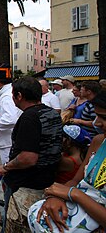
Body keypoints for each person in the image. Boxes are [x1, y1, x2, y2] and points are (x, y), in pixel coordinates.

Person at [28, 90, 106, 233]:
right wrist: (55, 197)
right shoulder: (99, 141)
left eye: (104, 118)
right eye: (96, 116)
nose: (97, 123)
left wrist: (74, 194)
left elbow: (73, 190)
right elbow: (75, 180)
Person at [0, 76, 63, 232]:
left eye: (14, 94)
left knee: (18, 222)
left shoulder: (29, 117)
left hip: (27, 182)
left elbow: (28, 158)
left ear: (19, 96)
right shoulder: (52, 113)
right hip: (47, 177)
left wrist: (6, 167)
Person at [0, 65, 22, 165]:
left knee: (7, 170)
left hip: (8, 142)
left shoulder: (7, 96)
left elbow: (11, 118)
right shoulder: (8, 92)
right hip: (8, 140)